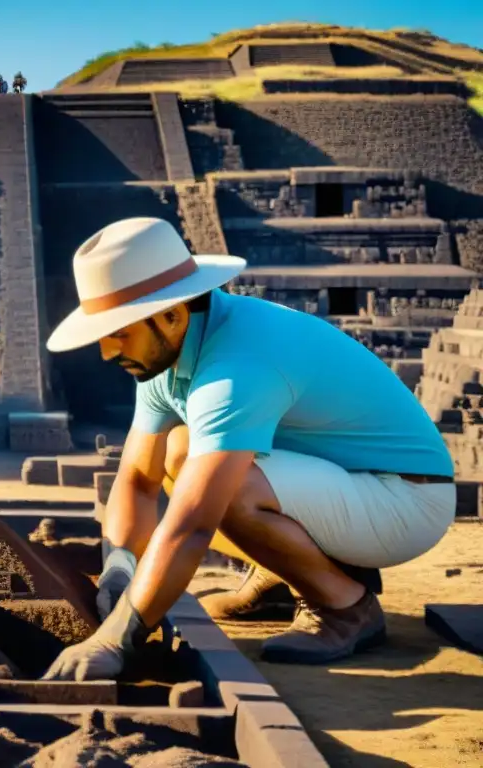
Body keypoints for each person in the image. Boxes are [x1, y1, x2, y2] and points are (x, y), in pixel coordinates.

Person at [40, 218, 455, 680]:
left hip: (404, 500)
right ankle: (280, 575)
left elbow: (194, 524)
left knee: (225, 485)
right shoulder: (170, 351)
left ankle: (345, 607)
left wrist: (117, 638)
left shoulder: (237, 367)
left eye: (118, 332)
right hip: (341, 483)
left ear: (173, 315)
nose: (106, 352)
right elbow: (138, 479)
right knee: (182, 451)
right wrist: (120, 568)